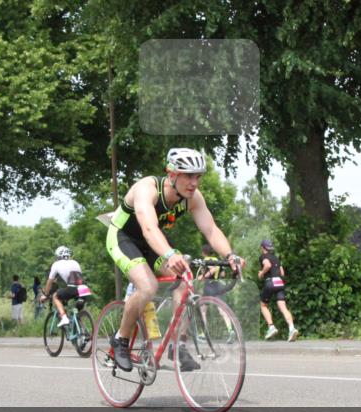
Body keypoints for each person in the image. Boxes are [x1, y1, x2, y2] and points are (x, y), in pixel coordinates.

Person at [104, 148, 242, 372]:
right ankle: (121, 338)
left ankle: (178, 344)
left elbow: (210, 229)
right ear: (171, 174)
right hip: (124, 237)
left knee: (186, 280)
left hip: (153, 242)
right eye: (188, 176)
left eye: (198, 176)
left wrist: (230, 256)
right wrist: (169, 254)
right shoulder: (147, 189)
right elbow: (149, 228)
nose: (194, 183)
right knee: (148, 286)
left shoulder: (193, 198)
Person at [257, 239, 298, 341]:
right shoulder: (276, 258)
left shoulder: (263, 256)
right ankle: (292, 328)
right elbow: (282, 273)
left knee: (263, 305)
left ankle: (271, 327)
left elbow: (267, 265)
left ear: (262, 247)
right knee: (283, 307)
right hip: (279, 282)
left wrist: (261, 273)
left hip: (270, 282)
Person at [40, 247, 90, 329]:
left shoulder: (56, 264)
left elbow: (50, 281)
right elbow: (77, 279)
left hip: (72, 288)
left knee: (55, 296)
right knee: (76, 312)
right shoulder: (75, 262)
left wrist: (46, 295)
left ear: (58, 256)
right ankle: (82, 331)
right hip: (84, 289)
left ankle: (64, 317)